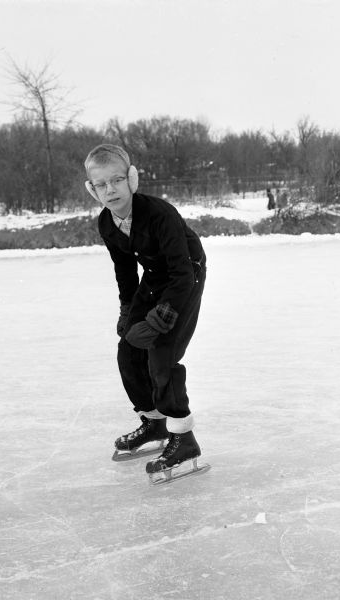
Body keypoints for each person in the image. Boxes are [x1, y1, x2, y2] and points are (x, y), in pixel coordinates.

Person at [84, 144, 206, 478]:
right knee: (129, 349)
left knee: (162, 353)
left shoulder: (159, 214)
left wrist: (163, 315)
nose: (111, 189)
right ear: (93, 190)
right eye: (101, 184)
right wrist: (129, 311)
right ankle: (155, 423)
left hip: (187, 274)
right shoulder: (108, 224)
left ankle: (183, 437)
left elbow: (182, 272)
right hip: (154, 278)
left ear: (131, 180)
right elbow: (125, 272)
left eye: (117, 180)